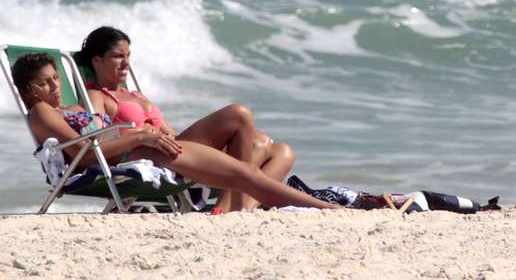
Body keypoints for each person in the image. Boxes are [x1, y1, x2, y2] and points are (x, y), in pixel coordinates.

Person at [12, 52, 339, 211]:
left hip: (141, 149)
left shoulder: (69, 108)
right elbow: (81, 151)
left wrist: (142, 135)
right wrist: (141, 136)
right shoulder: (40, 112)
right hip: (128, 155)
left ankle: (312, 207)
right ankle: (326, 210)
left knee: (245, 172)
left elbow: (102, 137)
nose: (56, 87)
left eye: (57, 78)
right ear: (29, 89)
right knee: (244, 173)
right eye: (46, 82)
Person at [74, 26, 299, 213]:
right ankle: (237, 209)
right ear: (97, 61)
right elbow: (97, 139)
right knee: (238, 114)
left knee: (278, 150)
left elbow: (169, 132)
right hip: (154, 154)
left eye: (128, 56)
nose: (125, 63)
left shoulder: (137, 96)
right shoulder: (97, 96)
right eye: (117, 56)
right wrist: (140, 137)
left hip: (173, 145)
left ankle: (231, 209)